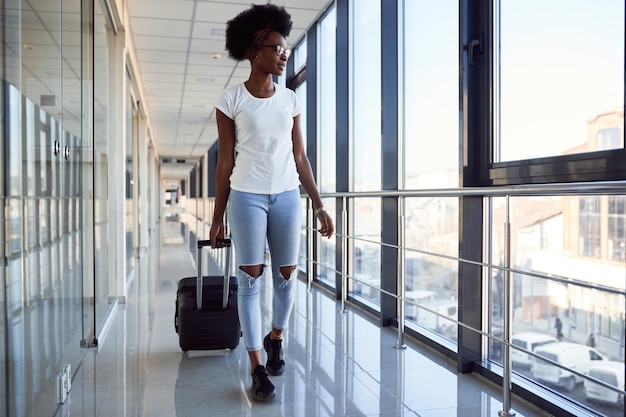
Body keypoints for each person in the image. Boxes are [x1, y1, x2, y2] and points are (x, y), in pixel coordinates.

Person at [209, 4, 334, 401]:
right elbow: (225, 162)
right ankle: (257, 366)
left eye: (286, 49)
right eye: (278, 48)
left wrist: (318, 203)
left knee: (286, 277)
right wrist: (217, 218)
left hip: (286, 197)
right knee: (250, 283)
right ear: (254, 50)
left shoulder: (290, 100)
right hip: (245, 196)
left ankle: (276, 335)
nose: (284, 55)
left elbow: (300, 157)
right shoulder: (230, 100)